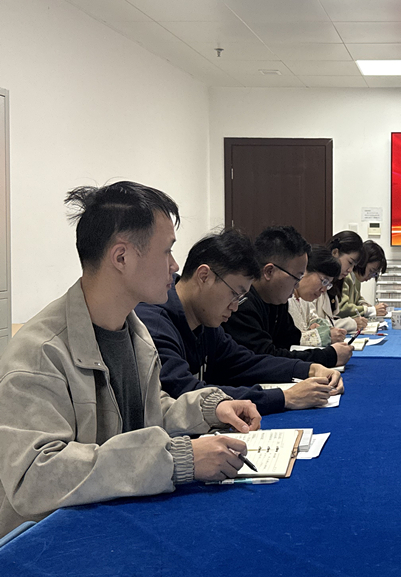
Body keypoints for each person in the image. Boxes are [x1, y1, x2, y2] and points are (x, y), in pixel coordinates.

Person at [0, 182, 261, 538]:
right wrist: (176, 458)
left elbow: (145, 414)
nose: (174, 266)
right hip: (49, 543)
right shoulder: (39, 352)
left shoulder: (134, 333)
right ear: (121, 257)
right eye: (167, 251)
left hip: (110, 525)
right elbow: (35, 477)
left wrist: (208, 409)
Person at [136, 230, 343, 417]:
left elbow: (245, 362)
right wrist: (285, 397)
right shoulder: (154, 325)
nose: (235, 307)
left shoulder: (205, 321)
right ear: (204, 276)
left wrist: (309, 369)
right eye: (234, 294)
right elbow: (186, 393)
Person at [223, 226, 353, 368]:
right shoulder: (241, 305)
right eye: (296, 278)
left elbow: (290, 341)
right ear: (269, 271)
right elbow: (265, 358)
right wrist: (327, 357)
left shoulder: (276, 300)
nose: (297, 286)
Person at [288, 245, 347, 347]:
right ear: (304, 270)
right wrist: (322, 336)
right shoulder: (284, 298)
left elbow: (312, 318)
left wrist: (317, 325)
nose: (323, 290)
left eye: (328, 285)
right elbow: (285, 339)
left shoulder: (304, 299)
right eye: (324, 281)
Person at [316, 230, 367, 332]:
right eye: (350, 262)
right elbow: (316, 324)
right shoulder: (315, 281)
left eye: (354, 266)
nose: (350, 270)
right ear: (335, 252)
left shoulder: (336, 282)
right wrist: (351, 323)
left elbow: (330, 319)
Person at [339, 240, 388, 318]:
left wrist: (364, 304)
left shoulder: (356, 278)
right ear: (362, 262)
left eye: (375, 274)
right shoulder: (344, 277)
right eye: (371, 271)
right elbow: (342, 308)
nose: (371, 276)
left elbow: (357, 298)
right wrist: (370, 310)